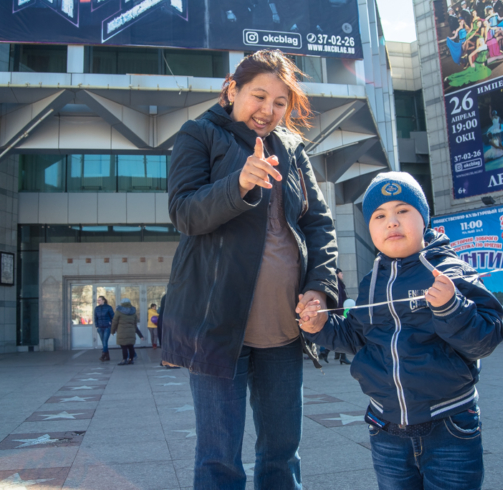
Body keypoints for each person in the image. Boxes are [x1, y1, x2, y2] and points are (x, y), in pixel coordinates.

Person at [163, 49, 338, 489]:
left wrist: (319, 289)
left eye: (280, 102)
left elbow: (318, 224)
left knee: (282, 455)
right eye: (258, 96)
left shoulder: (293, 147)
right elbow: (184, 213)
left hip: (283, 326)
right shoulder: (197, 135)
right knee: (219, 460)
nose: (268, 110)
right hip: (217, 327)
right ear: (232, 89)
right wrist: (238, 183)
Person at [297, 172, 503, 490]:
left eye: (402, 211)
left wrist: (451, 306)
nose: (391, 222)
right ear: (370, 228)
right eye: (379, 215)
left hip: (450, 424)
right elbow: (355, 336)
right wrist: (319, 326)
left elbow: (484, 340)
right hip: (386, 428)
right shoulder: (371, 283)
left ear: (424, 218)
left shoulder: (450, 272)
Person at [318, 268, 351, 365]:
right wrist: (340, 313)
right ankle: (333, 354)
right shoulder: (337, 284)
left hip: (338, 312)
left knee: (340, 336)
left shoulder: (338, 283)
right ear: (337, 274)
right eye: (341, 273)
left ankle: (331, 353)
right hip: (339, 313)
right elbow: (339, 300)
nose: (342, 275)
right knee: (341, 335)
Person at [111, 298, 139, 365]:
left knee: (124, 346)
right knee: (131, 346)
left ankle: (124, 360)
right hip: (131, 331)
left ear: (122, 303)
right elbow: (135, 322)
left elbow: (115, 322)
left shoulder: (119, 311)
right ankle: (131, 360)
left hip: (122, 331)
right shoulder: (133, 311)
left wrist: (112, 331)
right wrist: (134, 329)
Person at [94, 295, 114, 361]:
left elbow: (113, 316)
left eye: (99, 300)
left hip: (107, 327)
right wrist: (96, 325)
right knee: (103, 342)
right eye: (98, 300)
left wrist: (111, 323)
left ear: (103, 300)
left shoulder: (108, 307)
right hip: (100, 327)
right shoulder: (96, 308)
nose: (98, 301)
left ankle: (103, 355)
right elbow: (95, 318)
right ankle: (107, 356)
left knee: (105, 341)